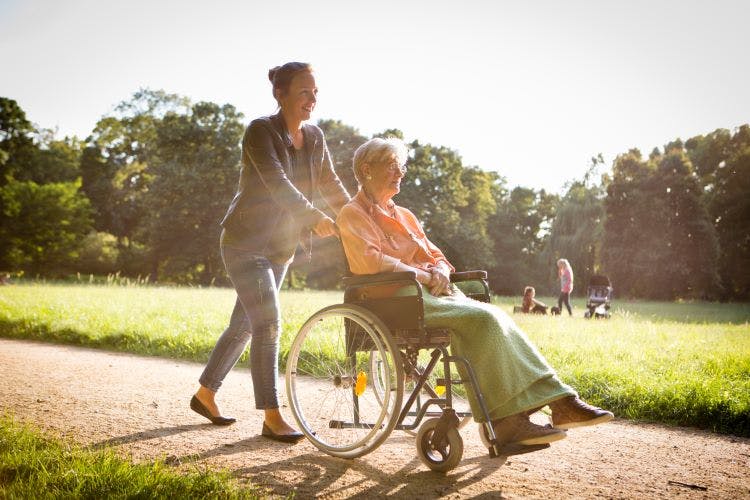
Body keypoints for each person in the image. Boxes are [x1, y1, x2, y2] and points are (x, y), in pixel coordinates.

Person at [336, 137, 612, 448]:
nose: (400, 171)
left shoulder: (406, 215)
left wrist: (439, 269)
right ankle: (517, 418)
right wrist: (426, 275)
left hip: (426, 292)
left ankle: (550, 403)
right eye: (392, 165)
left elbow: (435, 254)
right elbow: (371, 261)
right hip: (393, 298)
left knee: (492, 316)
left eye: (402, 165)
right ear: (366, 169)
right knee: (483, 319)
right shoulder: (352, 213)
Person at [190, 62, 351, 443]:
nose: (312, 99)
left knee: (244, 324)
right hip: (245, 243)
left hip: (280, 248)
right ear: (280, 95)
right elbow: (277, 182)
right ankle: (272, 415)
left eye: (315, 91)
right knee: (268, 324)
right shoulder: (260, 131)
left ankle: (205, 394)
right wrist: (313, 217)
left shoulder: (315, 137)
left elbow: (331, 183)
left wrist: (358, 216)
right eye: (303, 92)